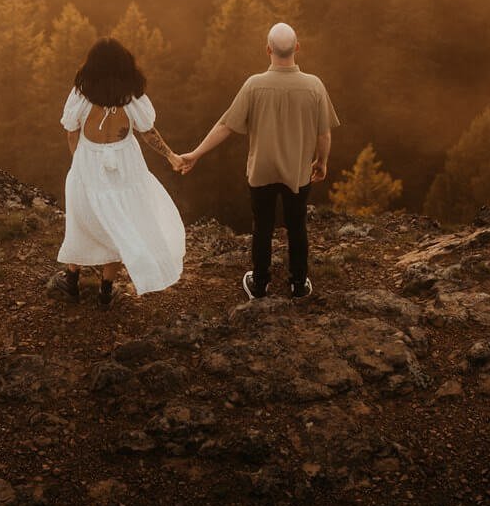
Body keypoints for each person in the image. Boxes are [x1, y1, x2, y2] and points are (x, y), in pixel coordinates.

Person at [177, 21, 338, 300]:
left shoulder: (254, 85)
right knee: (297, 226)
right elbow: (323, 135)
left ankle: (260, 284)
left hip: (261, 171)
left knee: (262, 227)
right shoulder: (314, 86)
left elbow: (225, 125)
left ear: (268, 49)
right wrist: (321, 162)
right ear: (297, 48)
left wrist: (195, 153)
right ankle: (298, 285)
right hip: (297, 172)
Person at [57, 37, 189, 307]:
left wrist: (78, 162)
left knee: (82, 220)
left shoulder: (81, 93)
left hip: (88, 162)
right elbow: (147, 131)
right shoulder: (132, 97)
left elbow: (72, 131)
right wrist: (171, 155)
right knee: (120, 221)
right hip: (125, 165)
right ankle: (106, 291)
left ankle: (71, 283)